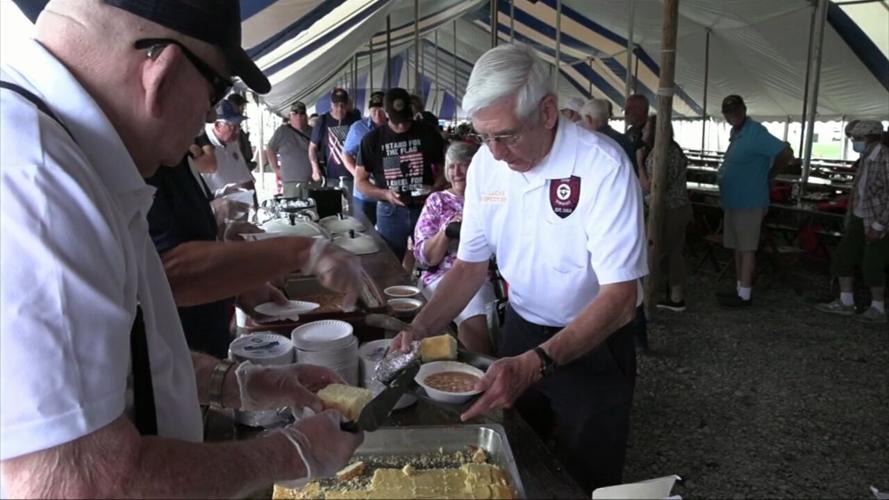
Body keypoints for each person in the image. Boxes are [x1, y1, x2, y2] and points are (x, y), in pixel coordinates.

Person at [0, 1, 363, 497]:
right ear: (163, 73)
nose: (209, 117)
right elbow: (77, 483)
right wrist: (290, 454)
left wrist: (239, 382)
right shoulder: (38, 182)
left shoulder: (73, 158)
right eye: (216, 92)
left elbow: (127, 354)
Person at [392, 43, 647, 493]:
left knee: (583, 476)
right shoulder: (488, 165)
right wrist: (419, 327)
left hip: (594, 340)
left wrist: (540, 362)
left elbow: (620, 299)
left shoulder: (602, 166)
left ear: (547, 112)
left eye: (507, 135)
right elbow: (470, 268)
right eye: (484, 137)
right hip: (523, 329)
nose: (497, 153)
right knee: (516, 460)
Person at [414, 141, 495, 355]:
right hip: (442, 273)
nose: (457, 172)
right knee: (472, 311)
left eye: (464, 165)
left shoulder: (492, 198)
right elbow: (425, 257)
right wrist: (447, 231)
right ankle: (476, 373)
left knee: (481, 310)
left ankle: (481, 372)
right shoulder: (438, 200)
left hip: (485, 274)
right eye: (452, 166)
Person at [716, 94, 796, 307]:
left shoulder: (756, 132)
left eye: (736, 110)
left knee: (747, 247)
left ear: (744, 109)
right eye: (728, 112)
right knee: (736, 246)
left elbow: (786, 152)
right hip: (733, 200)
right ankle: (739, 288)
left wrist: (770, 175)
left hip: (749, 200)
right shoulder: (737, 133)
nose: (732, 115)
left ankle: (745, 294)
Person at [355, 87, 447, 261]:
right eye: (397, 121)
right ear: (386, 113)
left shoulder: (427, 132)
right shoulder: (372, 140)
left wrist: (436, 188)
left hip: (424, 207)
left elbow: (444, 167)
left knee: (431, 259)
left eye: (405, 119)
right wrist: (385, 194)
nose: (402, 125)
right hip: (390, 210)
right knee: (390, 262)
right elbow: (360, 181)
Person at [815, 120, 888, 324]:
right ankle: (846, 301)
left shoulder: (885, 159)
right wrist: (850, 217)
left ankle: (878, 308)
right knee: (843, 257)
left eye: (858, 138)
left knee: (872, 262)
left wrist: (879, 225)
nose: (854, 142)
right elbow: (859, 191)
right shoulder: (865, 158)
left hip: (877, 219)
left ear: (872, 139)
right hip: (858, 215)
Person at [638, 115, 693, 311]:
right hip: (680, 208)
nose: (643, 132)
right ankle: (676, 296)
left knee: (657, 252)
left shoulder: (658, 155)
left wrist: (639, 163)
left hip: (668, 210)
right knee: (674, 253)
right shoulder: (674, 149)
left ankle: (652, 294)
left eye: (646, 129)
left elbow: (651, 188)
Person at [342, 91, 387, 225]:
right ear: (369, 110)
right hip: (365, 195)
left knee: (388, 236)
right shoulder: (358, 128)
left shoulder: (395, 127)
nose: (377, 114)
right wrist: (358, 175)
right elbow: (346, 154)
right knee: (365, 232)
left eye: (381, 110)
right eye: (374, 110)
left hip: (388, 193)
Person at [197, 99, 256, 196]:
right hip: (213, 206)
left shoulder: (233, 144)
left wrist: (254, 204)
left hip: (238, 205)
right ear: (217, 125)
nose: (237, 131)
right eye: (233, 127)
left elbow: (246, 178)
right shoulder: (200, 145)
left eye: (239, 126)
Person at [309, 87, 359, 188]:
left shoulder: (354, 119)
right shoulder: (323, 121)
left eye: (342, 105)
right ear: (331, 104)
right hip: (332, 177)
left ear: (347, 104)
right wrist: (315, 168)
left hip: (353, 175)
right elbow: (312, 147)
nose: (339, 109)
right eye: (336, 105)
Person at [267, 101, 314, 194]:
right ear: (290, 116)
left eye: (301, 113)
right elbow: (270, 149)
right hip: (290, 183)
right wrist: (275, 168)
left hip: (311, 182)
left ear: (306, 116)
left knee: (311, 208)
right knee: (292, 207)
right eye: (295, 113)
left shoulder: (313, 131)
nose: (298, 117)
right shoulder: (282, 131)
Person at [226, 92, 256, 170]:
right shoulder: (228, 128)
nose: (243, 109)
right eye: (241, 106)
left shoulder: (238, 128)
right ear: (234, 106)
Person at [623, 93, 649, 158]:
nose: (626, 113)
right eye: (625, 110)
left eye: (629, 109)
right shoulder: (630, 131)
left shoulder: (651, 131)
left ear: (641, 110)